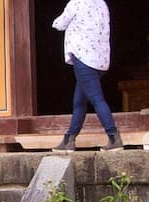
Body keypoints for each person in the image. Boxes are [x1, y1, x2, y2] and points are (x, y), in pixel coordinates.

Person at [51, 0, 123, 153]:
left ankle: (114, 136)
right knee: (79, 101)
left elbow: (59, 24)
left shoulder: (76, 3)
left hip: (84, 58)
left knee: (96, 98)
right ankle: (69, 139)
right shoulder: (102, 4)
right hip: (101, 60)